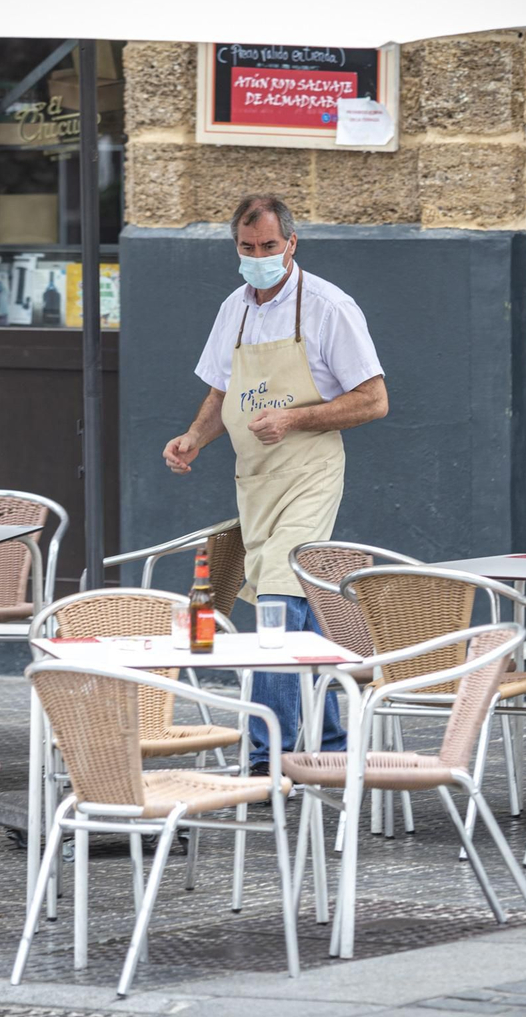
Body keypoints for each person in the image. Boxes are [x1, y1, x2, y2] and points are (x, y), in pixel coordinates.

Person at [162, 194, 388, 774]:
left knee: (278, 609)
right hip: (254, 480)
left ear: (291, 243)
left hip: (310, 473)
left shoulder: (329, 307)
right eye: (247, 248)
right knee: (299, 611)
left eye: (268, 247)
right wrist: (193, 438)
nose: (258, 257)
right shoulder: (233, 309)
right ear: (235, 247)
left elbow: (374, 400)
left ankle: (268, 757)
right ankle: (335, 744)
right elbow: (221, 392)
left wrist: (293, 418)